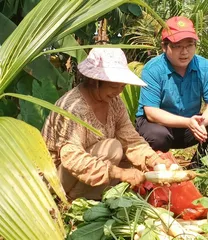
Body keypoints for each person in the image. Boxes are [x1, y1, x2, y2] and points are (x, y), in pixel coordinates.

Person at [41, 48, 172, 200]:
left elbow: (131, 139)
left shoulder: (114, 103)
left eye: (122, 86)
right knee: (113, 148)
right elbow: (72, 158)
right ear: (95, 82)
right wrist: (120, 173)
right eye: (113, 86)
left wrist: (154, 160)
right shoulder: (74, 108)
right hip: (57, 178)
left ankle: (98, 194)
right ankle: (71, 200)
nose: (118, 92)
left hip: (93, 165)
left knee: (130, 160)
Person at [135, 16, 208, 167]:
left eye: (189, 45)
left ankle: (199, 169)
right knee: (157, 135)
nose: (184, 52)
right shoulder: (153, 69)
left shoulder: (205, 67)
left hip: (190, 125)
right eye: (177, 46)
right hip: (159, 126)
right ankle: (156, 172)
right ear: (164, 47)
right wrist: (188, 122)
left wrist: (201, 122)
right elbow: (151, 113)